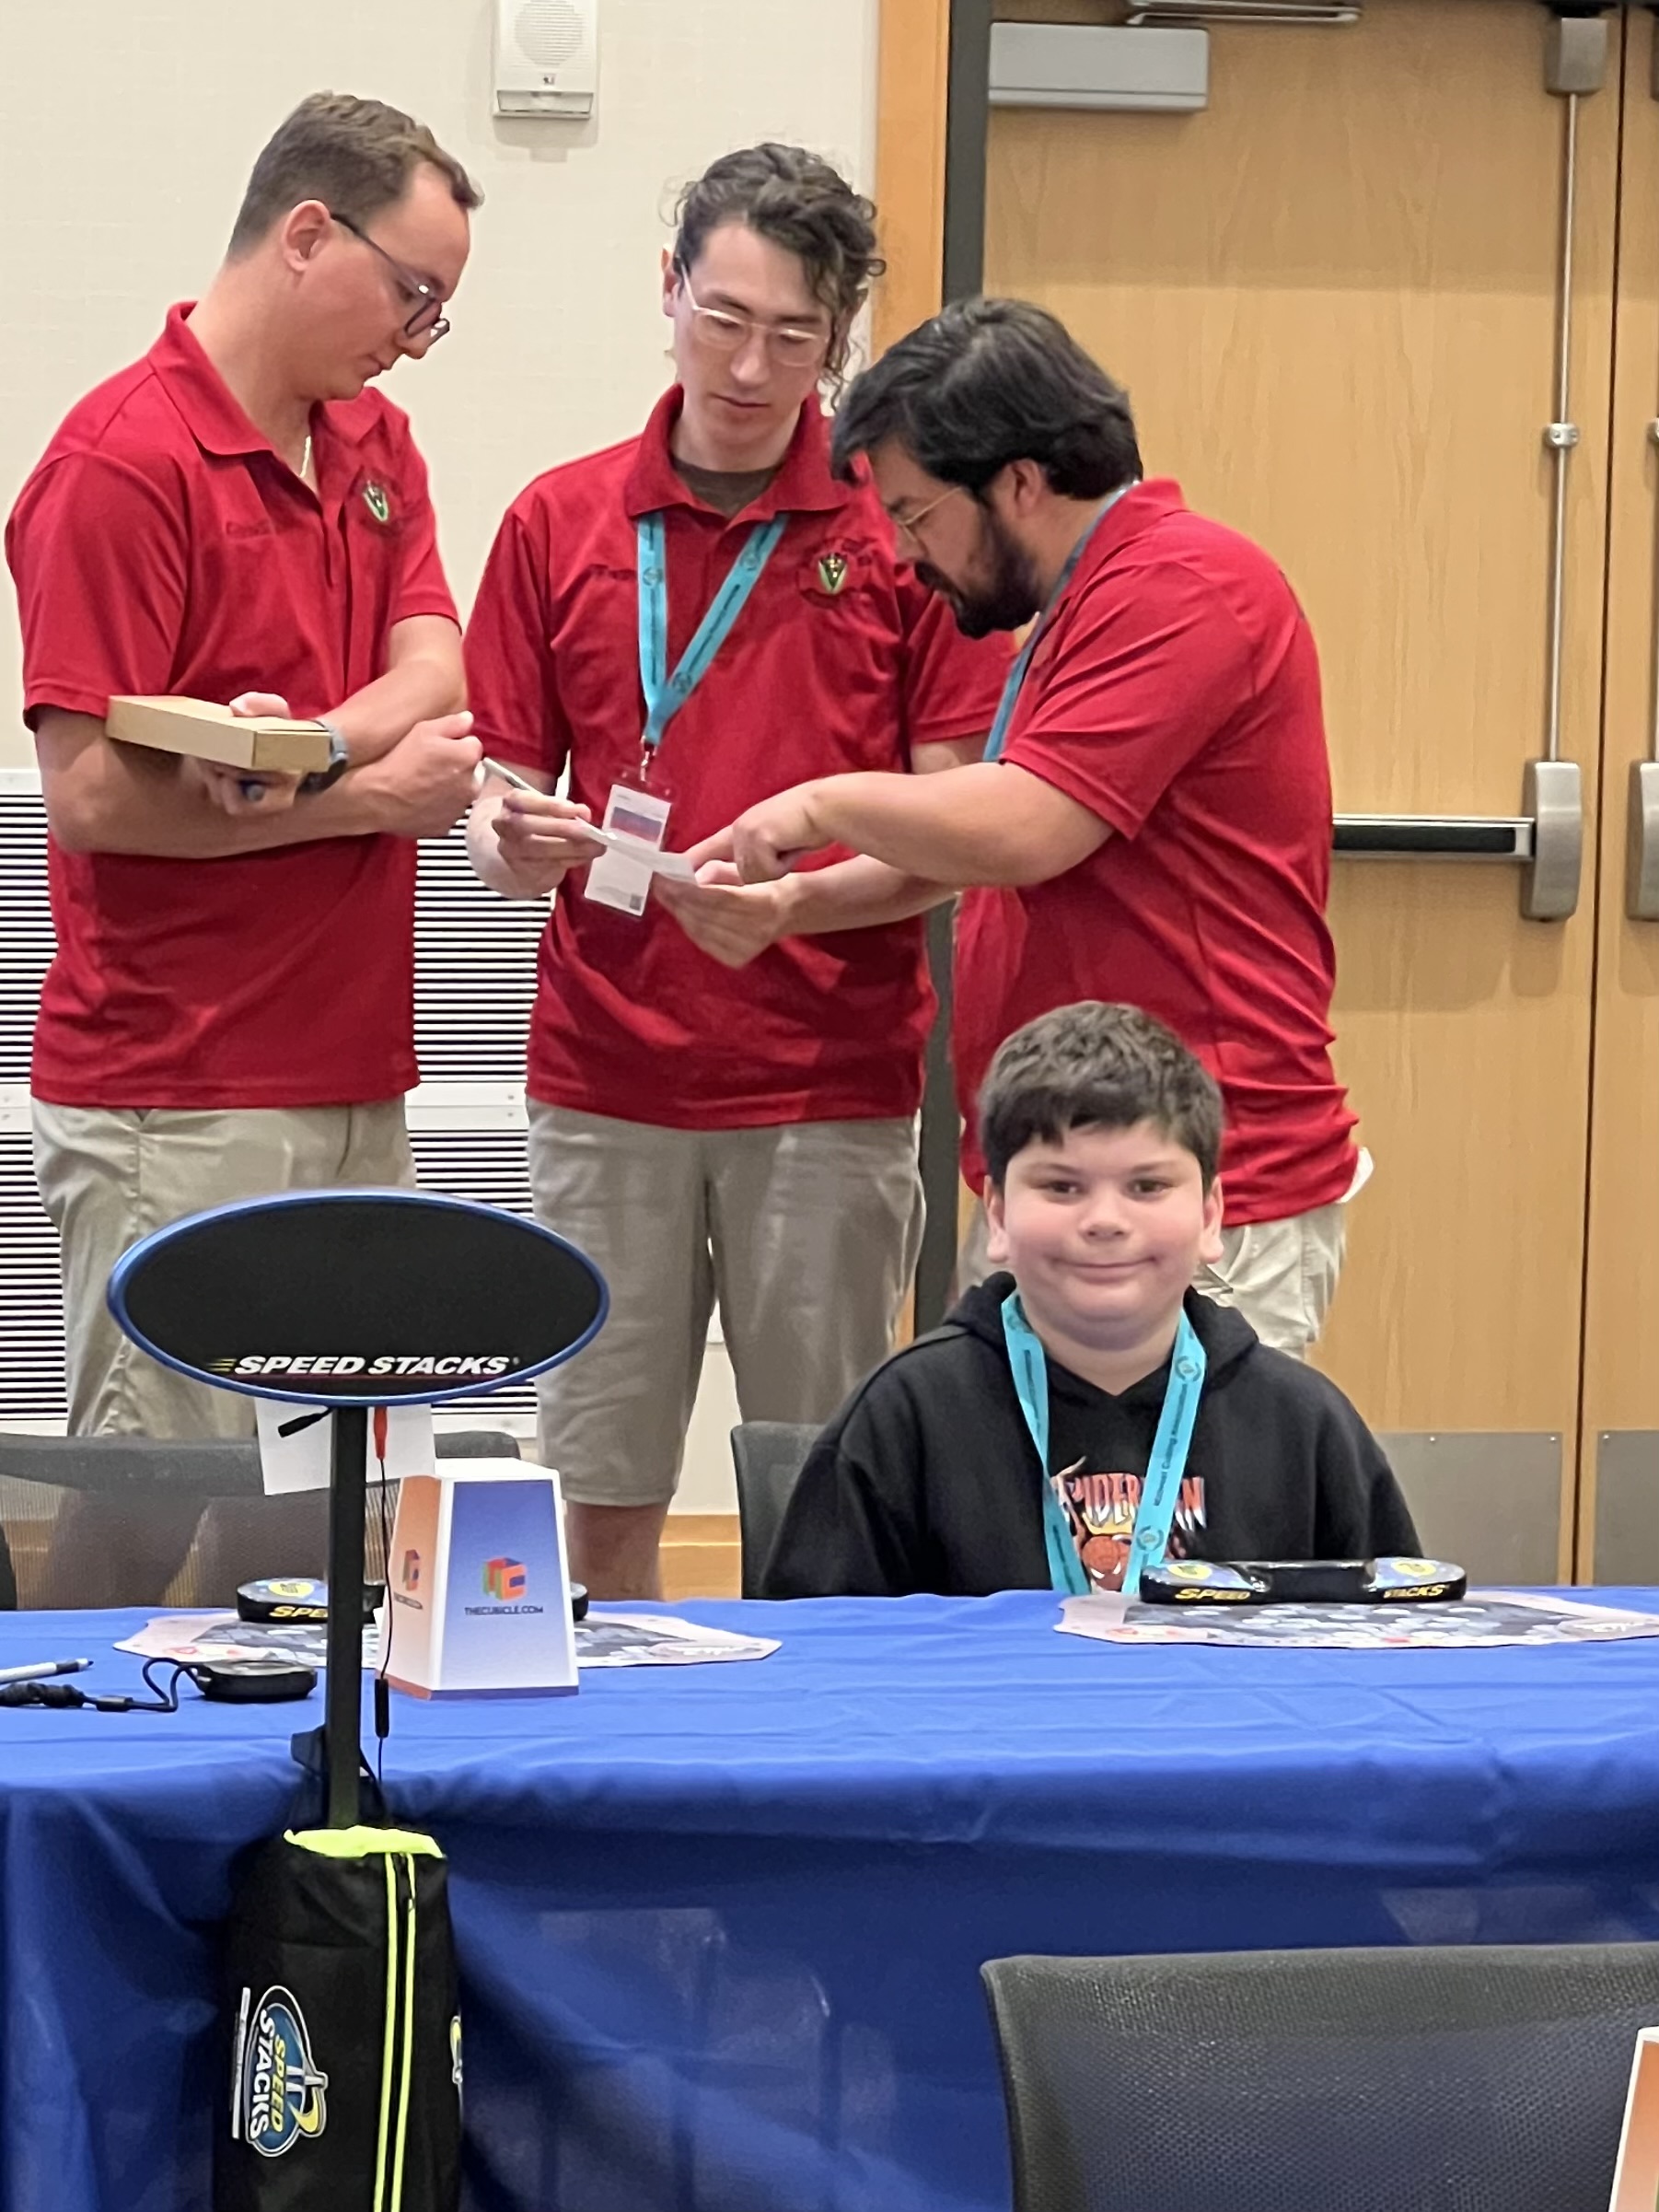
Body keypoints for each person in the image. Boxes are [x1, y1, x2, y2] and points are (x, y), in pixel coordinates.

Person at [464, 145, 1009, 1599]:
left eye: (794, 334)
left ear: (840, 339)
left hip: (824, 1081)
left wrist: (792, 906)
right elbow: (498, 787)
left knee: (824, 1484)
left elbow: (955, 825)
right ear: (669, 289)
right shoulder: (559, 519)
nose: (754, 367)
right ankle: (615, 1723)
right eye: (723, 319)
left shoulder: (898, 531)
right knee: (595, 1484)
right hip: (604, 1076)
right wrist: (507, 833)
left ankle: (813, 1727)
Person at [716, 297, 1365, 1358]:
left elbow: (1024, 827)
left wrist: (819, 802)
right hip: (1068, 1164)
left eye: (917, 515)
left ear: (1018, 482)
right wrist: (794, 902)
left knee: (1161, 1472)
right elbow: (974, 845)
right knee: (1016, 1467)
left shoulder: (1183, 586)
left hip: (1189, 1182)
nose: (904, 554)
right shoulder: (1078, 606)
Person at [6, 92, 485, 1438]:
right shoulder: (120, 462)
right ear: (307, 233)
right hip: (178, 1082)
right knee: (157, 1485)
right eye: (411, 294)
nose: (414, 338)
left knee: (317, 1503)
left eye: (437, 312)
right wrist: (365, 798)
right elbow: (90, 798)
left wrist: (312, 754)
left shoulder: (373, 441)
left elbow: (435, 666)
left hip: (355, 1066)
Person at [762, 1002, 1415, 1600]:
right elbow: (821, 1661)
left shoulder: (1301, 1425)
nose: (1105, 1220)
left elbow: (1393, 1642)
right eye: (1062, 1187)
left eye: (1147, 1186)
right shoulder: (905, 1417)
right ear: (997, 1216)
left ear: (1211, 1216)